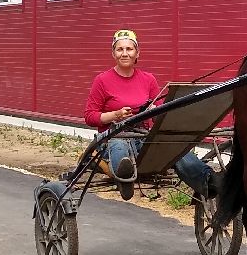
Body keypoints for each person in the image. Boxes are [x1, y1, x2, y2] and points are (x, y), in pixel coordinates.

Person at [84, 28, 215, 201]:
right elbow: (90, 116)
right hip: (114, 135)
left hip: (143, 136)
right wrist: (115, 115)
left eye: (129, 49)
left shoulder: (148, 80)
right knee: (119, 147)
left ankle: (208, 181)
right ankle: (125, 178)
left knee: (172, 148)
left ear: (137, 52)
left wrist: (154, 111)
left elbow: (160, 117)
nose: (125, 53)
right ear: (113, 53)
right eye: (120, 49)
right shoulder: (102, 80)